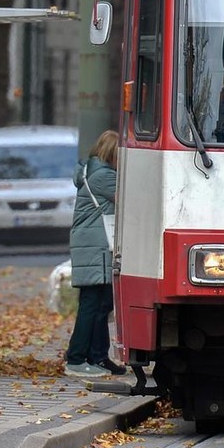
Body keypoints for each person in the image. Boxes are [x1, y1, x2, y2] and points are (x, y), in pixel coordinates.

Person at [65, 129, 127, 378]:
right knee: (92, 305)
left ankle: (98, 356)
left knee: (101, 304)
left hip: (93, 246)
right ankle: (76, 359)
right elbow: (130, 199)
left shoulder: (91, 171)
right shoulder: (104, 176)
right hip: (96, 247)